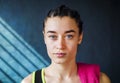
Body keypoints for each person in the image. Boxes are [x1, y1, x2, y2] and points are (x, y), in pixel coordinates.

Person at [21, 5, 111, 83]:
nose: (60, 45)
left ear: (80, 37)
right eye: (52, 36)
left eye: (69, 36)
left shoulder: (100, 80)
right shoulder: (28, 82)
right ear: (45, 38)